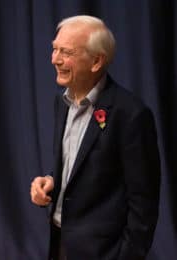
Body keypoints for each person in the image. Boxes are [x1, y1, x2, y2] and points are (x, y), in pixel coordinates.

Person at [30, 15, 161, 260]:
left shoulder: (131, 114)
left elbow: (144, 202)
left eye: (66, 52)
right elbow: (80, 169)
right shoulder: (62, 102)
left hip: (104, 252)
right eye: (55, 49)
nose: (55, 59)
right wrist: (51, 181)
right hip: (60, 243)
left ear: (96, 61)